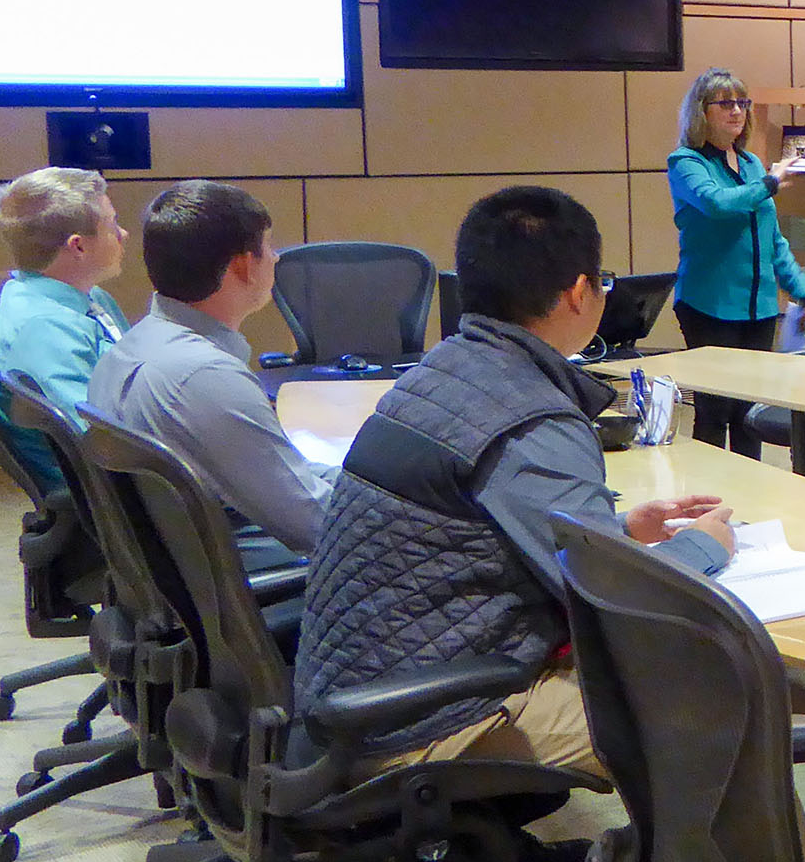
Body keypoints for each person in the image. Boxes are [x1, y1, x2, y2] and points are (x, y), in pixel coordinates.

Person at [297, 186, 734, 776]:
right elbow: (615, 600)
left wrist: (621, 529)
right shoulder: (532, 415)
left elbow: (481, 534)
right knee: (719, 718)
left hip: (356, 686)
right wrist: (704, 546)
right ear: (581, 292)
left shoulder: (440, 371)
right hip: (424, 719)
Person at [88, 181, 335, 556]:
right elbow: (317, 525)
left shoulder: (129, 350)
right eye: (267, 246)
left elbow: (286, 474)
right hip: (237, 577)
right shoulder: (204, 378)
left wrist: (369, 482)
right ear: (243, 266)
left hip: (186, 570)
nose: (277, 258)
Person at [666, 67, 805, 457]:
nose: (737, 111)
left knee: (750, 414)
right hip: (709, 307)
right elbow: (717, 204)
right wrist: (769, 185)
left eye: (742, 102)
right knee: (715, 412)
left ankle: (747, 503)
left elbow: (773, 241)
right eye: (726, 103)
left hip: (759, 309)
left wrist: (804, 293)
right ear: (703, 111)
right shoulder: (686, 163)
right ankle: (709, 502)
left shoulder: (752, 164)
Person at [0, 168, 129, 490]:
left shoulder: (87, 298)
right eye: (112, 225)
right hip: (113, 495)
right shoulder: (43, 331)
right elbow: (103, 441)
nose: (123, 234)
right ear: (78, 247)